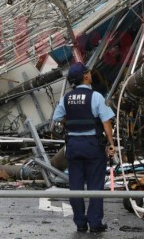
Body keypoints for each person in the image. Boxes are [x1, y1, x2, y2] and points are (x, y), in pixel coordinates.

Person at [53, 62, 116, 233]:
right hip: (92, 145)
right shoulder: (96, 97)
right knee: (95, 185)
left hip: (73, 146)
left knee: (75, 185)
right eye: (88, 73)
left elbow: (57, 117)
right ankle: (95, 223)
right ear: (86, 76)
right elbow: (106, 122)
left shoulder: (66, 98)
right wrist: (111, 144)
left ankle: (80, 222)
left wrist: (72, 121)